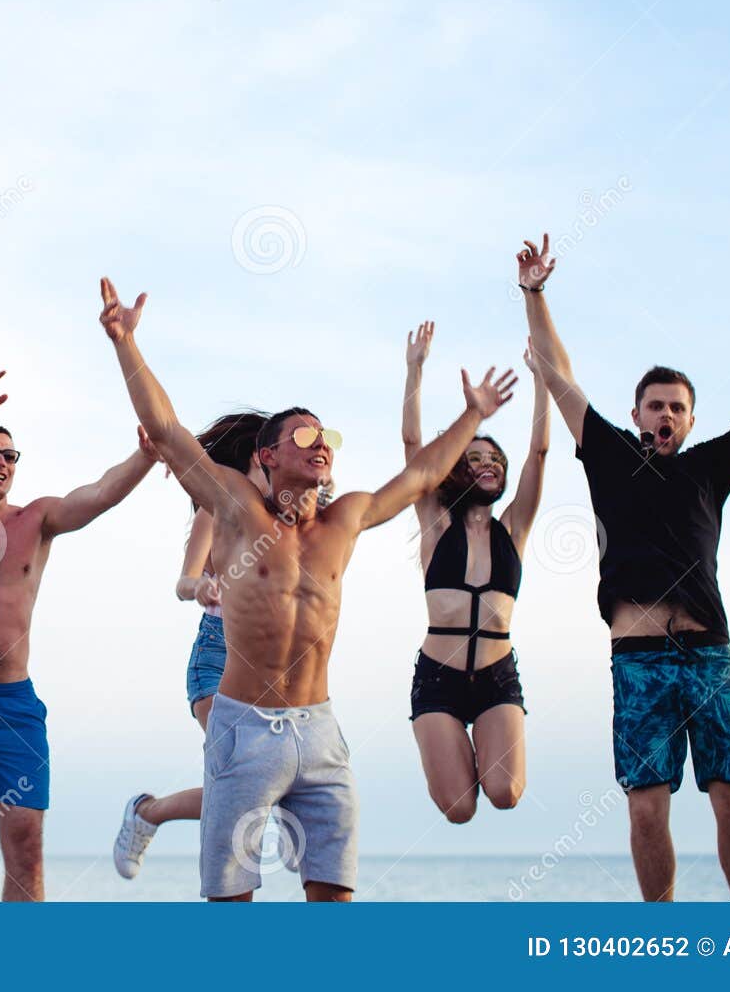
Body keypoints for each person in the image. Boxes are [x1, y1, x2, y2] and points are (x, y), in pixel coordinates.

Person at [98, 278, 514, 901]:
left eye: (326, 437)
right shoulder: (238, 510)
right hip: (243, 725)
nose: (320, 445)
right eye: (303, 436)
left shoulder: (343, 518)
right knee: (232, 901)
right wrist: (126, 343)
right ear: (266, 455)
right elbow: (165, 426)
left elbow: (422, 472)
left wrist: (474, 413)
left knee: (334, 898)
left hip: (319, 730)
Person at [517, 233, 730, 901]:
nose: (666, 413)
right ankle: (663, 929)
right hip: (638, 656)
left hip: (708, 652)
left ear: (690, 417)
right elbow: (559, 373)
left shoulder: (708, 467)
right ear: (637, 413)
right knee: (647, 806)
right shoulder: (610, 453)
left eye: (677, 406)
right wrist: (534, 292)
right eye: (655, 404)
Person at [0, 366, 159, 901]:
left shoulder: (37, 519)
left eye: (9, 456)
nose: (1, 462)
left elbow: (101, 494)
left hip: (14, 704)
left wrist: (146, 456)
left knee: (26, 854)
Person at [403, 322, 550, 821]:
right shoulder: (435, 522)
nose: (487, 463)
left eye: (494, 459)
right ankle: (449, 752)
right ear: (456, 470)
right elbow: (412, 444)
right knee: (460, 808)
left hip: (496, 677)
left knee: (505, 793)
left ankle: (483, 750)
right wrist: (415, 369)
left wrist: (543, 383)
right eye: (474, 458)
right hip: (438, 678)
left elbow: (540, 453)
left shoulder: (515, 527)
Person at [113, 411, 270, 878]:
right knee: (247, 784)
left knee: (253, 789)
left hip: (272, 665)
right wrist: (199, 587)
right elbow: (184, 579)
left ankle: (149, 812)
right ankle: (159, 823)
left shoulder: (286, 521)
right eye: (263, 460)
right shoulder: (216, 510)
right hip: (217, 655)